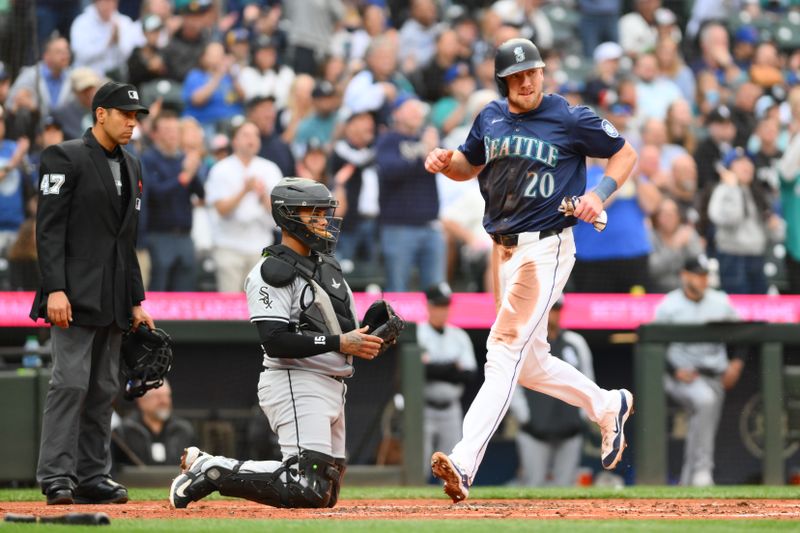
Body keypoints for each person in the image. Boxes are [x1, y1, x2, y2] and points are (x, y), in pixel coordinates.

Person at [423, 38, 637, 503]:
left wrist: (598, 193)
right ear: (503, 81)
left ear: (543, 73)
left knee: (501, 352)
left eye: (532, 72)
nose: (526, 81)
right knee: (530, 364)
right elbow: (469, 164)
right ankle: (607, 404)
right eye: (517, 75)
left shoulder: (568, 117)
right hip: (502, 251)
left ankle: (463, 461)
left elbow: (625, 154)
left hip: (545, 247)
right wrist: (446, 162)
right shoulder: (490, 117)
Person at [168, 177, 384, 509]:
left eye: (324, 213)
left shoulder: (327, 265)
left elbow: (335, 328)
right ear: (289, 216)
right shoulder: (271, 272)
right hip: (296, 380)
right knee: (305, 486)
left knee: (324, 494)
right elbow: (275, 340)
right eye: (314, 213)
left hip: (332, 383)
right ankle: (212, 469)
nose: (324, 221)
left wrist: (373, 334)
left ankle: (212, 468)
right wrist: (341, 341)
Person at [29, 81, 155, 505]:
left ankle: (91, 476)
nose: (132, 123)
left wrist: (137, 301)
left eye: (136, 116)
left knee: (103, 387)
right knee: (69, 383)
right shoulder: (64, 156)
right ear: (100, 113)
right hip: (74, 294)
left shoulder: (133, 165)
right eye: (125, 114)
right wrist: (55, 290)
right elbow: (48, 232)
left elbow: (126, 241)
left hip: (115, 294)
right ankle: (56, 476)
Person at [653, 255, 744, 486]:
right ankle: (702, 471)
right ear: (684, 275)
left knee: (705, 418)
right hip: (682, 376)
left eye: (705, 275)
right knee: (705, 403)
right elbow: (653, 344)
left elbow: (743, 334)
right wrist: (674, 370)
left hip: (714, 376)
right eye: (697, 275)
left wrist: (736, 363)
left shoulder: (721, 301)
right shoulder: (668, 305)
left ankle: (688, 479)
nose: (702, 280)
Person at [509, 296, 595, 487]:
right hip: (534, 432)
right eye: (549, 310)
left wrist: (581, 415)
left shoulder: (575, 342)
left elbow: (588, 379)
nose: (553, 315)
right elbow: (512, 384)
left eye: (556, 310)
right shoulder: (526, 343)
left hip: (570, 431)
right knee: (533, 485)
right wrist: (525, 417)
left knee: (565, 488)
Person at [204, 121, 283, 292]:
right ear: (235, 141)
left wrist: (262, 195)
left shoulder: (270, 168)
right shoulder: (221, 169)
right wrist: (244, 190)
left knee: (259, 304)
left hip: (260, 246)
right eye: (246, 135)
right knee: (229, 307)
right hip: (229, 246)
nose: (252, 140)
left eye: (255, 135)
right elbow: (221, 209)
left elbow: (279, 214)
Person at [418, 283, 477, 475]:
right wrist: (452, 367)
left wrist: (437, 368)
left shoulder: (459, 335)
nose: (442, 311)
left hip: (451, 409)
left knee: (453, 467)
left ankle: (447, 503)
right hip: (423, 408)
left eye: (446, 306)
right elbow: (420, 371)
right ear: (429, 306)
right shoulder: (419, 333)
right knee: (420, 466)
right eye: (438, 305)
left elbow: (469, 375)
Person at [112, 379, 195, 467]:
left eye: (167, 396)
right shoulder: (123, 432)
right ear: (141, 400)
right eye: (158, 397)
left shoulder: (183, 430)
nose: (164, 401)